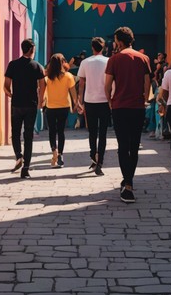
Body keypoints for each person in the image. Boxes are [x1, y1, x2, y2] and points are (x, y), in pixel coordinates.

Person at [104, 26, 151, 203]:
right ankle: (128, 180)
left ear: (120, 41)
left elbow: (107, 85)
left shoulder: (114, 60)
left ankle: (128, 184)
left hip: (119, 107)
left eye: (116, 40)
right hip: (137, 107)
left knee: (123, 146)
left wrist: (110, 101)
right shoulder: (144, 58)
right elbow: (147, 84)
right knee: (134, 145)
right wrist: (145, 99)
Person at [4, 39, 46, 179]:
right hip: (31, 105)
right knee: (28, 136)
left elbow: (6, 86)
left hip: (16, 104)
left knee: (15, 133)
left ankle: (18, 156)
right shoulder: (37, 66)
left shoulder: (13, 65)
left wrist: (11, 95)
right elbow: (43, 85)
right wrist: (40, 101)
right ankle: (26, 168)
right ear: (31, 50)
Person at [76, 36, 110, 175]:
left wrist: (80, 100)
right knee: (103, 133)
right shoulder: (108, 61)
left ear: (92, 47)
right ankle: (100, 161)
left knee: (92, 132)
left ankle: (93, 157)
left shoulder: (85, 62)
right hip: (105, 101)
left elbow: (81, 83)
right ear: (104, 48)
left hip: (90, 101)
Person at [44, 53, 77, 168]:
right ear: (62, 63)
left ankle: (54, 151)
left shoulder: (47, 78)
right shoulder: (68, 76)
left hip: (50, 108)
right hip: (64, 107)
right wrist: (76, 104)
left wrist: (41, 102)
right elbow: (73, 94)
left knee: (52, 131)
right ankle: (61, 155)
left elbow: (42, 92)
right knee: (61, 131)